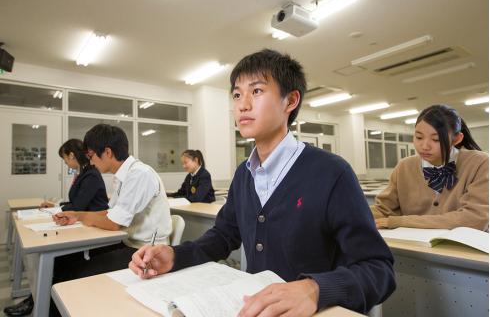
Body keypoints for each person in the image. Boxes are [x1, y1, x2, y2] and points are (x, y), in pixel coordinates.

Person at [129, 49, 395, 316]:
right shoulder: (244, 174)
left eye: (256, 91)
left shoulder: (331, 172)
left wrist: (315, 289)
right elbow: (222, 236)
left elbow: (378, 268)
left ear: (290, 100)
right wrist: (175, 256)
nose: (243, 104)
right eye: (236, 94)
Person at [50, 124, 172, 316]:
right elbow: (110, 213)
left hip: (144, 252)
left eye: (91, 156)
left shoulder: (140, 173)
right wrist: (77, 216)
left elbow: (114, 223)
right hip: (127, 243)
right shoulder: (122, 175)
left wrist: (80, 215)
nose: (90, 162)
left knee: (73, 275)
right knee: (63, 261)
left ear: (107, 152)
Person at [3, 139, 109, 317]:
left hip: (94, 228)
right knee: (52, 256)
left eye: (65, 158)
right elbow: (75, 204)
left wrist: (59, 208)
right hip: (83, 224)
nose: (65, 162)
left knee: (58, 259)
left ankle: (39, 301)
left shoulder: (90, 175)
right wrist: (56, 206)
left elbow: (79, 205)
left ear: (72, 155)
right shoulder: (83, 173)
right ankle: (36, 299)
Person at [372, 104, 489, 230]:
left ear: (456, 139)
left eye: (436, 139)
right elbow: (383, 210)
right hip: (412, 246)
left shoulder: (480, 163)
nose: (424, 146)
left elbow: (475, 219)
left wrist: (399, 221)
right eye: (419, 137)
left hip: (463, 247)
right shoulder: (404, 167)